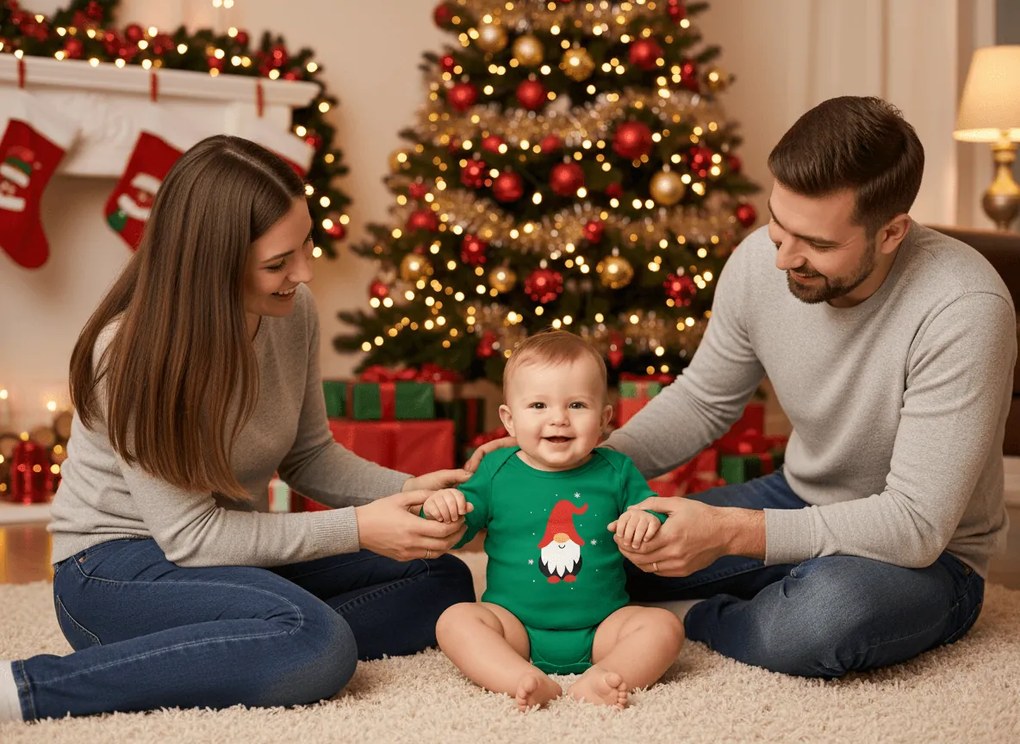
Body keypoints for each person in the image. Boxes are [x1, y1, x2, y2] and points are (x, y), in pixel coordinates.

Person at [469, 96, 1016, 678]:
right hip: (798, 497)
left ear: (891, 233)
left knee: (823, 617)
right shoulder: (761, 258)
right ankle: (774, 590)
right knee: (588, 551)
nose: (784, 260)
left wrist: (732, 533)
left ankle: (706, 617)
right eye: (780, 225)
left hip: (927, 554)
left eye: (817, 244)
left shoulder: (963, 306)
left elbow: (916, 525)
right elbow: (704, 398)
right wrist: (575, 463)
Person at [0, 135, 476, 724]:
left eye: (306, 244)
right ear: (212, 263)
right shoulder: (130, 354)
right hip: (113, 572)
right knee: (317, 646)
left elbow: (310, 455)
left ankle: (250, 642)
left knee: (439, 577)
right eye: (278, 263)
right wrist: (358, 529)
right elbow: (191, 537)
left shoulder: (291, 312)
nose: (304, 273)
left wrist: (410, 492)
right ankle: (27, 688)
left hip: (227, 555)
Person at [423, 331, 684, 711]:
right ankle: (517, 677)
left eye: (577, 405)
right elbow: (456, 528)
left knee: (665, 626)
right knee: (454, 620)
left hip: (603, 626)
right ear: (510, 420)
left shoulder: (617, 470)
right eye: (538, 405)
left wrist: (645, 519)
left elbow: (654, 510)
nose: (558, 419)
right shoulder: (495, 470)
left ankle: (606, 677)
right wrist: (442, 505)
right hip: (514, 626)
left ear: (604, 419)